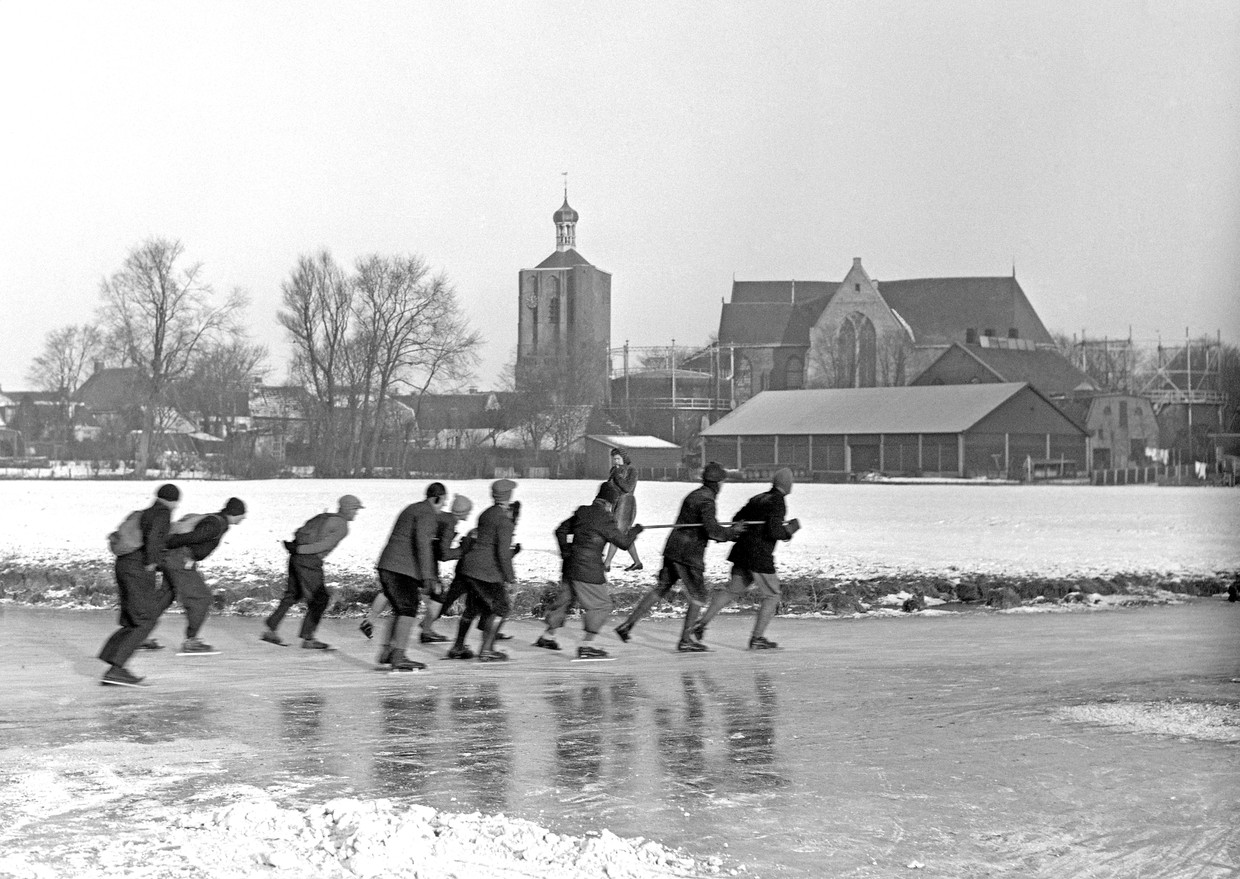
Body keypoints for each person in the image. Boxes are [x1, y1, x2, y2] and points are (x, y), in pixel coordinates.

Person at [614, 461, 741, 651]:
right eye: (722, 482)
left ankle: (627, 625)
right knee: (698, 595)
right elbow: (712, 530)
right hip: (688, 554)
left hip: (673, 548)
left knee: (661, 588)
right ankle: (685, 640)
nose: (722, 486)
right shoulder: (707, 500)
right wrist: (733, 532)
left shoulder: (694, 495)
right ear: (718, 482)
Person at [693, 468, 800, 650]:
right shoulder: (777, 501)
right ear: (787, 484)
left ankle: (701, 623)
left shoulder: (758, 498)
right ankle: (757, 638)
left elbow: (737, 519)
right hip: (759, 557)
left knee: (731, 591)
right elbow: (774, 531)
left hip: (742, 552)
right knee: (773, 595)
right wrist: (789, 530)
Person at [536, 482, 644, 660]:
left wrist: (565, 551)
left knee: (566, 600)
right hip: (588, 569)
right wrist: (635, 531)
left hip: (570, 566)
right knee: (602, 605)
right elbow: (623, 543)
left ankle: (547, 637)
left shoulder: (583, 512)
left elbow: (560, 530)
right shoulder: (606, 518)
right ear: (611, 502)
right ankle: (587, 645)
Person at [98, 483, 179, 686]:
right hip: (138, 567)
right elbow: (153, 537)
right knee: (145, 619)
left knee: (132, 618)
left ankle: (112, 658)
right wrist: (152, 562)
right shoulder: (162, 513)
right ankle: (116, 669)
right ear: (173, 500)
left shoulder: (146, 511)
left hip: (123, 564)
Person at [262, 495, 364, 649]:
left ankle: (271, 629)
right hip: (308, 559)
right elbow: (323, 545)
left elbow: (300, 531)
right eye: (355, 509)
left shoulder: (325, 517)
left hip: (295, 557)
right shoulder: (342, 525)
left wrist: (296, 549)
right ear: (348, 508)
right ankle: (308, 638)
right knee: (320, 598)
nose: (356, 513)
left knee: (293, 594)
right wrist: (300, 550)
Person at [374, 483, 446, 671]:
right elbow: (423, 544)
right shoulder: (427, 513)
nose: (442, 507)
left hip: (389, 565)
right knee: (407, 609)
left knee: (400, 610)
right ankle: (398, 657)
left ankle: (387, 652)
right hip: (400, 569)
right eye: (443, 502)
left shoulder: (413, 508)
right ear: (437, 498)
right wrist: (429, 577)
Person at [161, 497, 247, 655]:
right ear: (235, 513)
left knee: (163, 597)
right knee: (202, 598)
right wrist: (166, 545)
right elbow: (191, 537)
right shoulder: (216, 524)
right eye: (243, 514)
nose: (244, 517)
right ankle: (191, 642)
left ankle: (137, 631)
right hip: (179, 559)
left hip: (176, 558)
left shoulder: (218, 521)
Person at [450, 479, 517, 662]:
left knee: (474, 607)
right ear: (509, 495)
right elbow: (503, 552)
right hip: (486, 572)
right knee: (502, 608)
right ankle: (487, 650)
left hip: (469, 567)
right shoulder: (505, 520)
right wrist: (510, 577)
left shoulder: (486, 514)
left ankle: (458, 646)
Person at [417, 493, 473, 643]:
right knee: (438, 596)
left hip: (424, 559)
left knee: (435, 595)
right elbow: (444, 553)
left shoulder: (444, 517)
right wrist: (463, 549)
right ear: (462, 511)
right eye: (468, 510)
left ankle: (426, 627)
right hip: (428, 563)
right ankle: (426, 631)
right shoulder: (450, 523)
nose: (469, 513)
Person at [602, 449, 642, 572]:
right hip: (615, 503)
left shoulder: (632, 470)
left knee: (617, 533)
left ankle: (607, 564)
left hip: (626, 503)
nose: (615, 461)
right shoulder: (614, 470)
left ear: (624, 458)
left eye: (618, 458)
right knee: (623, 534)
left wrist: (618, 476)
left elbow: (628, 488)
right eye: (614, 459)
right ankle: (637, 563)